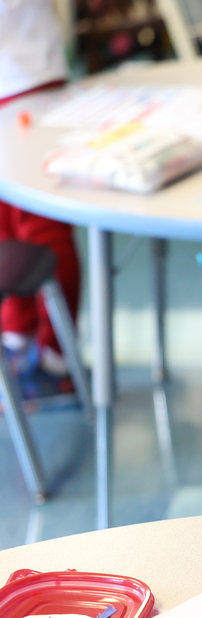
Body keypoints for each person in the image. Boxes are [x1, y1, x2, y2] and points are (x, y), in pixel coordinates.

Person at [0, 0, 81, 382]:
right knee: (4, 230)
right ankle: (18, 333)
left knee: (42, 230)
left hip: (27, 81)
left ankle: (56, 355)